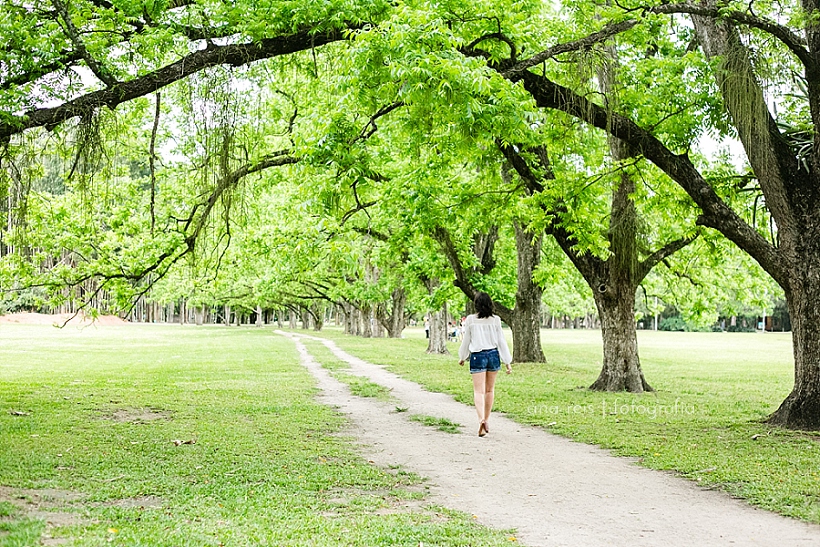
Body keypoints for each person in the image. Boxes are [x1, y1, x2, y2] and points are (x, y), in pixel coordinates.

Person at [458, 292, 512, 437]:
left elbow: (466, 340)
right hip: (493, 355)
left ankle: (481, 419)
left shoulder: (470, 320)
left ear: (476, 305)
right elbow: (501, 341)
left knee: (478, 391)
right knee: (489, 390)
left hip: (478, 356)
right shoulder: (496, 320)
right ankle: (487, 419)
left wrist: (462, 357)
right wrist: (507, 362)